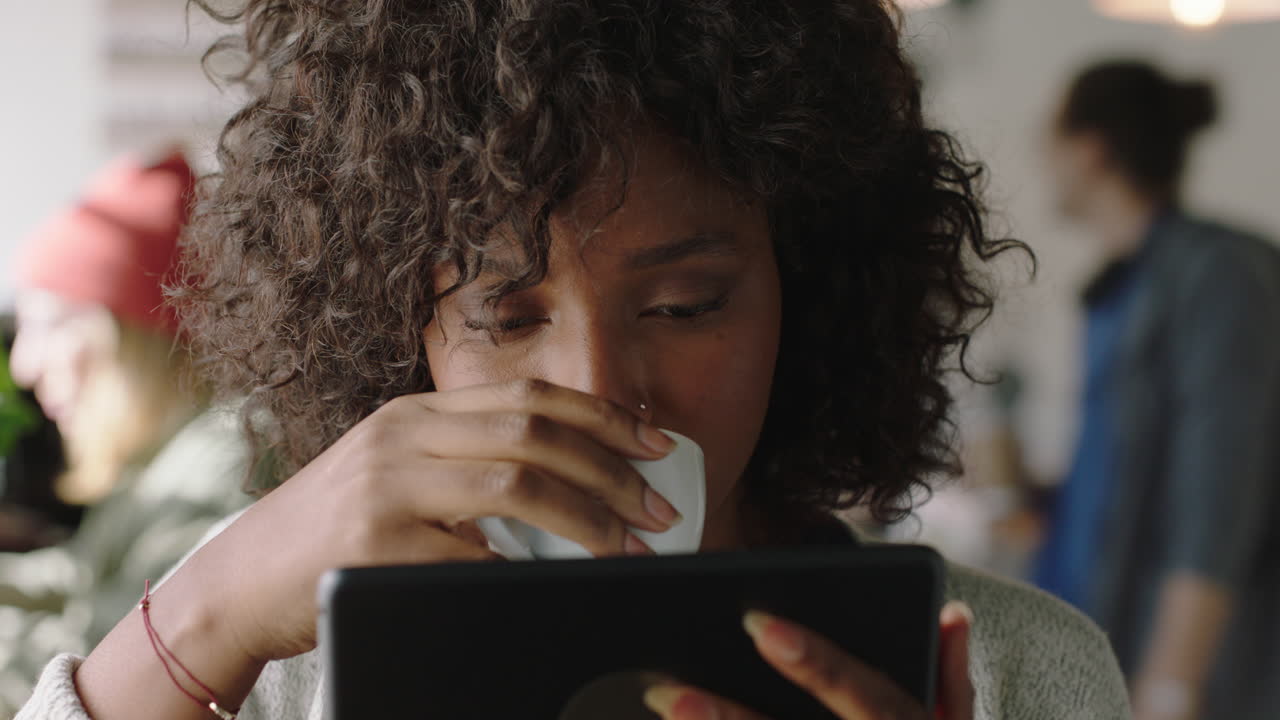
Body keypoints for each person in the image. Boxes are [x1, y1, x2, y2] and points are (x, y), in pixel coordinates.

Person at [21, 3, 1130, 719]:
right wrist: (206, 612)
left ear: (814, 287)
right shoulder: (287, 649)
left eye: (686, 303)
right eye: (505, 317)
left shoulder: (1010, 675)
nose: (598, 387)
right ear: (398, 326)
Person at [1037, 60, 1280, 720]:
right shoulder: (1116, 290)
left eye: (1050, 140)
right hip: (1096, 652)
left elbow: (1218, 496)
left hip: (1194, 677)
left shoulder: (1220, 274)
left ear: (1089, 150)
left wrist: (1171, 685)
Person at [1, 152, 252, 718]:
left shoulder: (220, 475)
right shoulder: (163, 463)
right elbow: (83, 578)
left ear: (134, 338)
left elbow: (101, 658)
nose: (23, 367)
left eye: (51, 325)